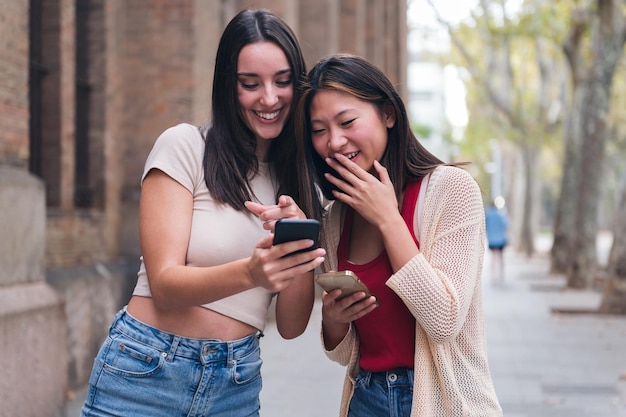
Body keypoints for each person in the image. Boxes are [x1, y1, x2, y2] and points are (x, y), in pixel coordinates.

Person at [80, 9, 325, 417]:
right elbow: (165, 284)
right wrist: (251, 272)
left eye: (282, 82)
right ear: (229, 87)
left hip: (235, 383)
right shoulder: (185, 147)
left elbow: (291, 325)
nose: (269, 98)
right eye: (251, 84)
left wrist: (298, 246)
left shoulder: (299, 182)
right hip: (146, 372)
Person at [294, 54, 502, 417]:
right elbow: (345, 354)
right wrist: (334, 319)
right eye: (319, 129)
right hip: (366, 398)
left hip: (442, 402)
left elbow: (443, 321)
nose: (335, 141)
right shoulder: (334, 221)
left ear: (388, 114)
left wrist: (389, 219)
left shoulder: (452, 190)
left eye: (346, 121)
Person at [485, 197, 509, 283]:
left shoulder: (487, 215)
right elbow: (505, 225)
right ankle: (501, 274)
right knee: (501, 257)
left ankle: (493, 276)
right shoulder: (500, 214)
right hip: (501, 239)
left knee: (493, 257)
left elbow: (485, 227)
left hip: (491, 240)